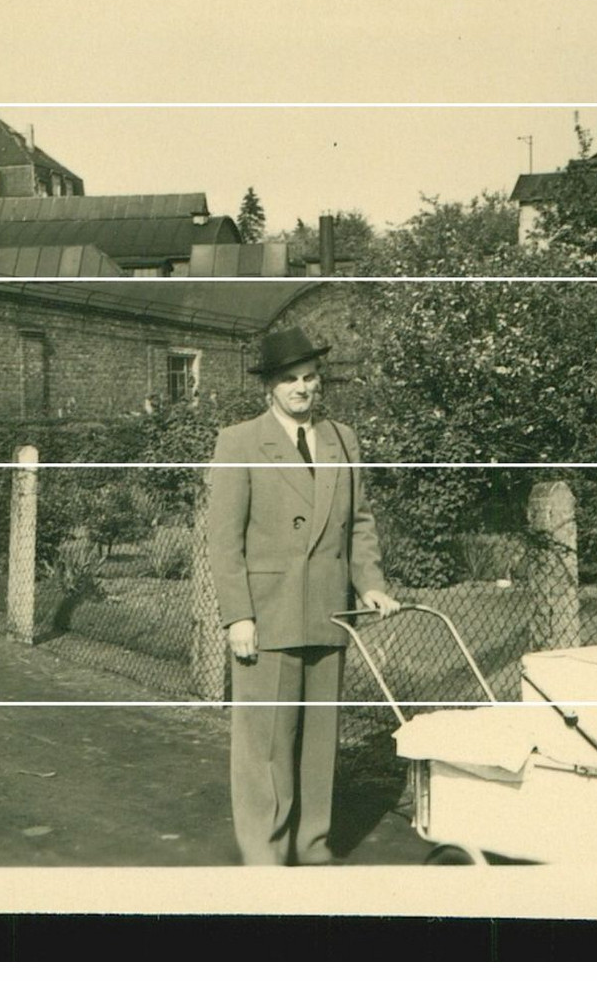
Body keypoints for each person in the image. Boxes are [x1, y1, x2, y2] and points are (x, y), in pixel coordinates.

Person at [206, 325, 401, 866]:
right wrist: (237, 616)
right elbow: (224, 540)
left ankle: (312, 844)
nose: (302, 388)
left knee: (319, 741)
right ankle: (264, 853)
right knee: (265, 741)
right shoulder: (240, 441)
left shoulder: (342, 438)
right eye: (290, 379)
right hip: (266, 614)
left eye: (310, 377)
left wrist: (371, 583)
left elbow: (359, 522)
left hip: (328, 609)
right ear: (269, 386)